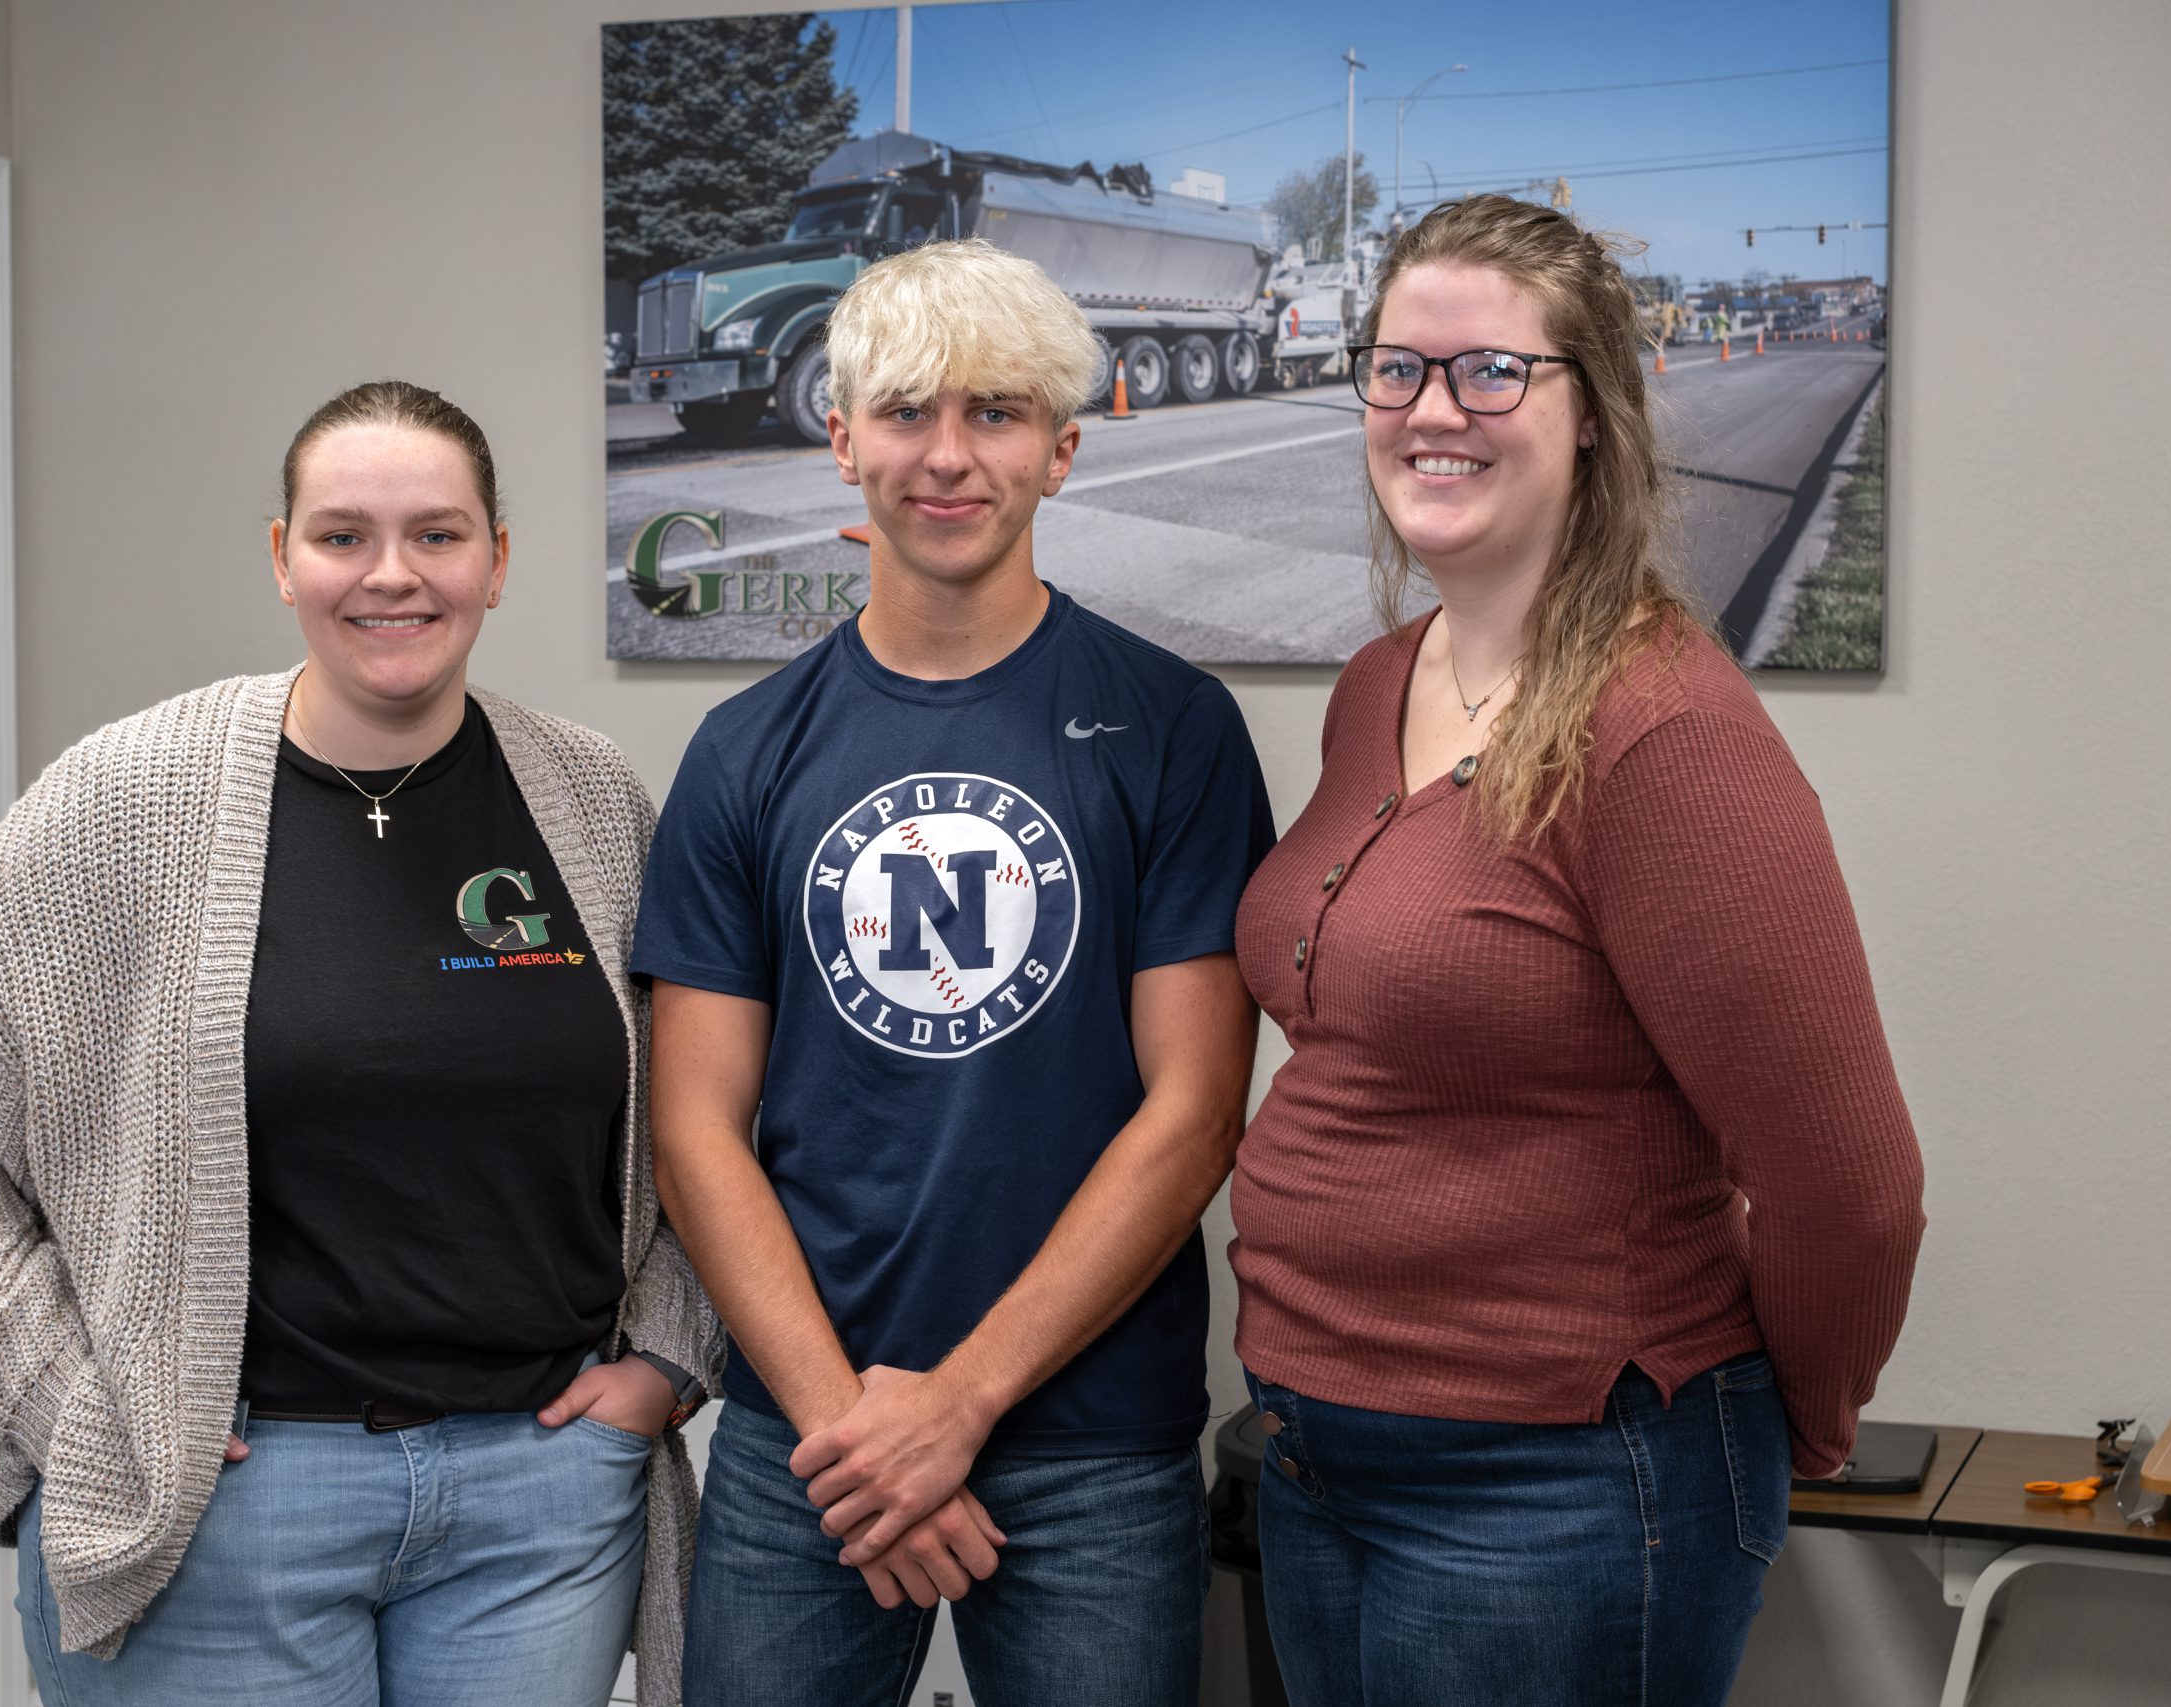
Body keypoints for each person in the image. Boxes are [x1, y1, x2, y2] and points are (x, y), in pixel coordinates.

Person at [0, 381, 720, 1707]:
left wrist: (665, 1359)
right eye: (341, 536)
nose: (392, 575)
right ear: (280, 559)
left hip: (538, 1498)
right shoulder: (121, 802)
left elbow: (697, 1123)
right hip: (227, 1502)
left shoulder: (592, 801)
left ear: (497, 561)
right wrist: (70, 1410)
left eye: (437, 535)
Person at [1228, 194, 1927, 1705]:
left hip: (1560, 1484)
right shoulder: (1380, 682)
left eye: (1493, 373)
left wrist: (1778, 1437)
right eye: (1399, 368)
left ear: (1595, 410)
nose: (1434, 411)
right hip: (1314, 1446)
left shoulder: (1661, 732)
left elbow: (1849, 1186)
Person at [635, 239, 1275, 1705]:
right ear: (841, 435)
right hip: (812, 1436)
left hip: (1089, 1439)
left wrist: (961, 1405)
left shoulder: (1173, 729)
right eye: (908, 412)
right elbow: (693, 1131)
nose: (948, 456)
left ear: (1061, 449)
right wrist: (859, 1432)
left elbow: (1191, 1116)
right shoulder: (745, 753)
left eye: (994, 415)